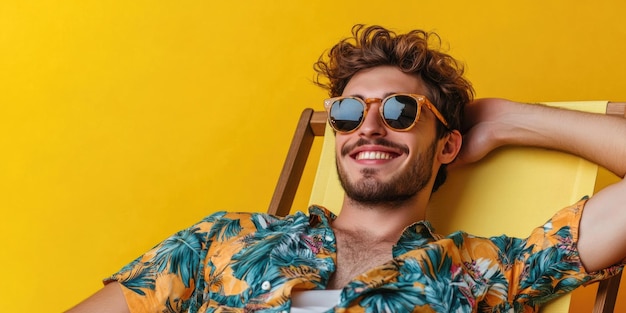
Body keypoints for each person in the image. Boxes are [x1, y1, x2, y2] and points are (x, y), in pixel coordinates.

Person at [67, 24, 626, 313]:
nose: (369, 128)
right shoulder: (220, 241)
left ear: (449, 146)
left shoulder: (482, 272)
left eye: (403, 111)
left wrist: (511, 119)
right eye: (349, 112)